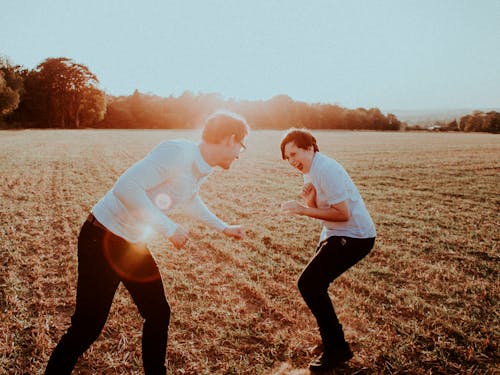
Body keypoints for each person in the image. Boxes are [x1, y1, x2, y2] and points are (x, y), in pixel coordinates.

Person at [45, 111, 250, 375]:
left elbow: (189, 199)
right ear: (230, 139)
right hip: (101, 237)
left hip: (130, 244)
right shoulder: (177, 153)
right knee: (88, 326)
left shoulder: (200, 168)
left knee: (158, 313)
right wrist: (168, 228)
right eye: (241, 146)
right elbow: (126, 187)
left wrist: (224, 227)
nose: (239, 154)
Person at [279, 128, 376, 372]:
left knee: (309, 284)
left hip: (354, 236)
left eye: (294, 153)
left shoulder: (326, 169)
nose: (291, 161)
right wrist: (311, 201)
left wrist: (303, 208)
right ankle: (332, 342)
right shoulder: (310, 171)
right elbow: (325, 210)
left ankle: (337, 349)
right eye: (287, 158)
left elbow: (343, 214)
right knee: (314, 285)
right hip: (336, 234)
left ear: (310, 148)